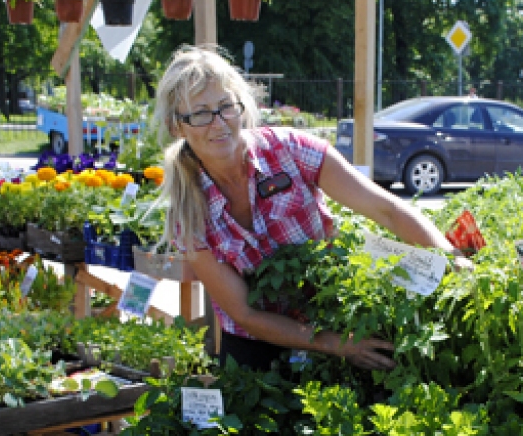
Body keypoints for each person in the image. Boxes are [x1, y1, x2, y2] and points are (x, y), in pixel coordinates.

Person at [154, 45, 467, 372]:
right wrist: (336, 344)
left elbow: (385, 208)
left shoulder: (290, 151)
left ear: (241, 107)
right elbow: (245, 314)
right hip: (255, 350)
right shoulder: (188, 215)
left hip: (330, 316)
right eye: (201, 114)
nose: (218, 124)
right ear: (177, 126)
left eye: (225, 107)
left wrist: (454, 260)